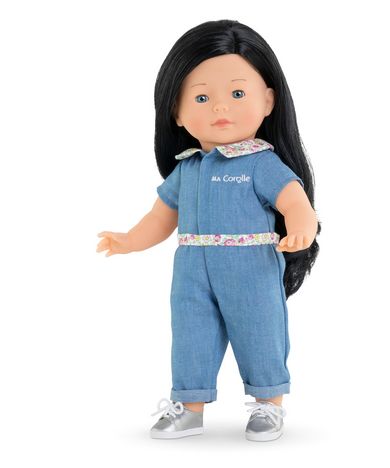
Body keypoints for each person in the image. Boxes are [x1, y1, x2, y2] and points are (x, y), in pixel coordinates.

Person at [96, 19, 321, 442]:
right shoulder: (188, 169)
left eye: (237, 94)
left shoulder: (261, 163)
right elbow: (161, 217)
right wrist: (129, 240)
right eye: (202, 97)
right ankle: (189, 405)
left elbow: (295, 202)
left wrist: (301, 229)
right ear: (177, 112)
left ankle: (268, 403)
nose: (220, 108)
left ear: (268, 100)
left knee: (260, 330)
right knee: (190, 334)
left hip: (251, 268)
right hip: (192, 271)